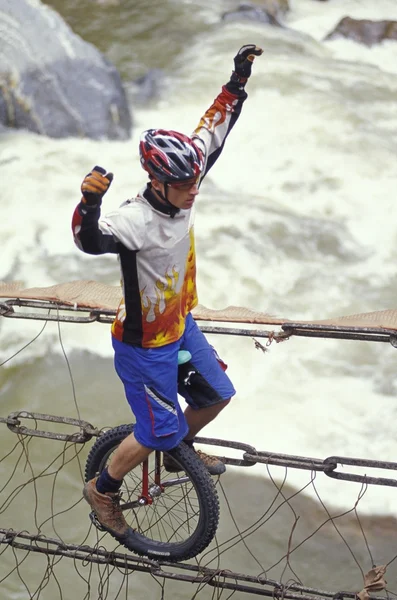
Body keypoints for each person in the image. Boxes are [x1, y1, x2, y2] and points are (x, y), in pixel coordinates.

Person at [72, 44, 262, 543]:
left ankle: (177, 452)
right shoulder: (133, 220)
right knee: (154, 429)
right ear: (157, 181)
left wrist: (237, 80)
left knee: (218, 394)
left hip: (179, 323)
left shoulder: (187, 172)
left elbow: (214, 128)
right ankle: (104, 488)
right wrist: (89, 204)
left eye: (195, 179)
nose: (194, 190)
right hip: (143, 346)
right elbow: (89, 242)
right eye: (183, 185)